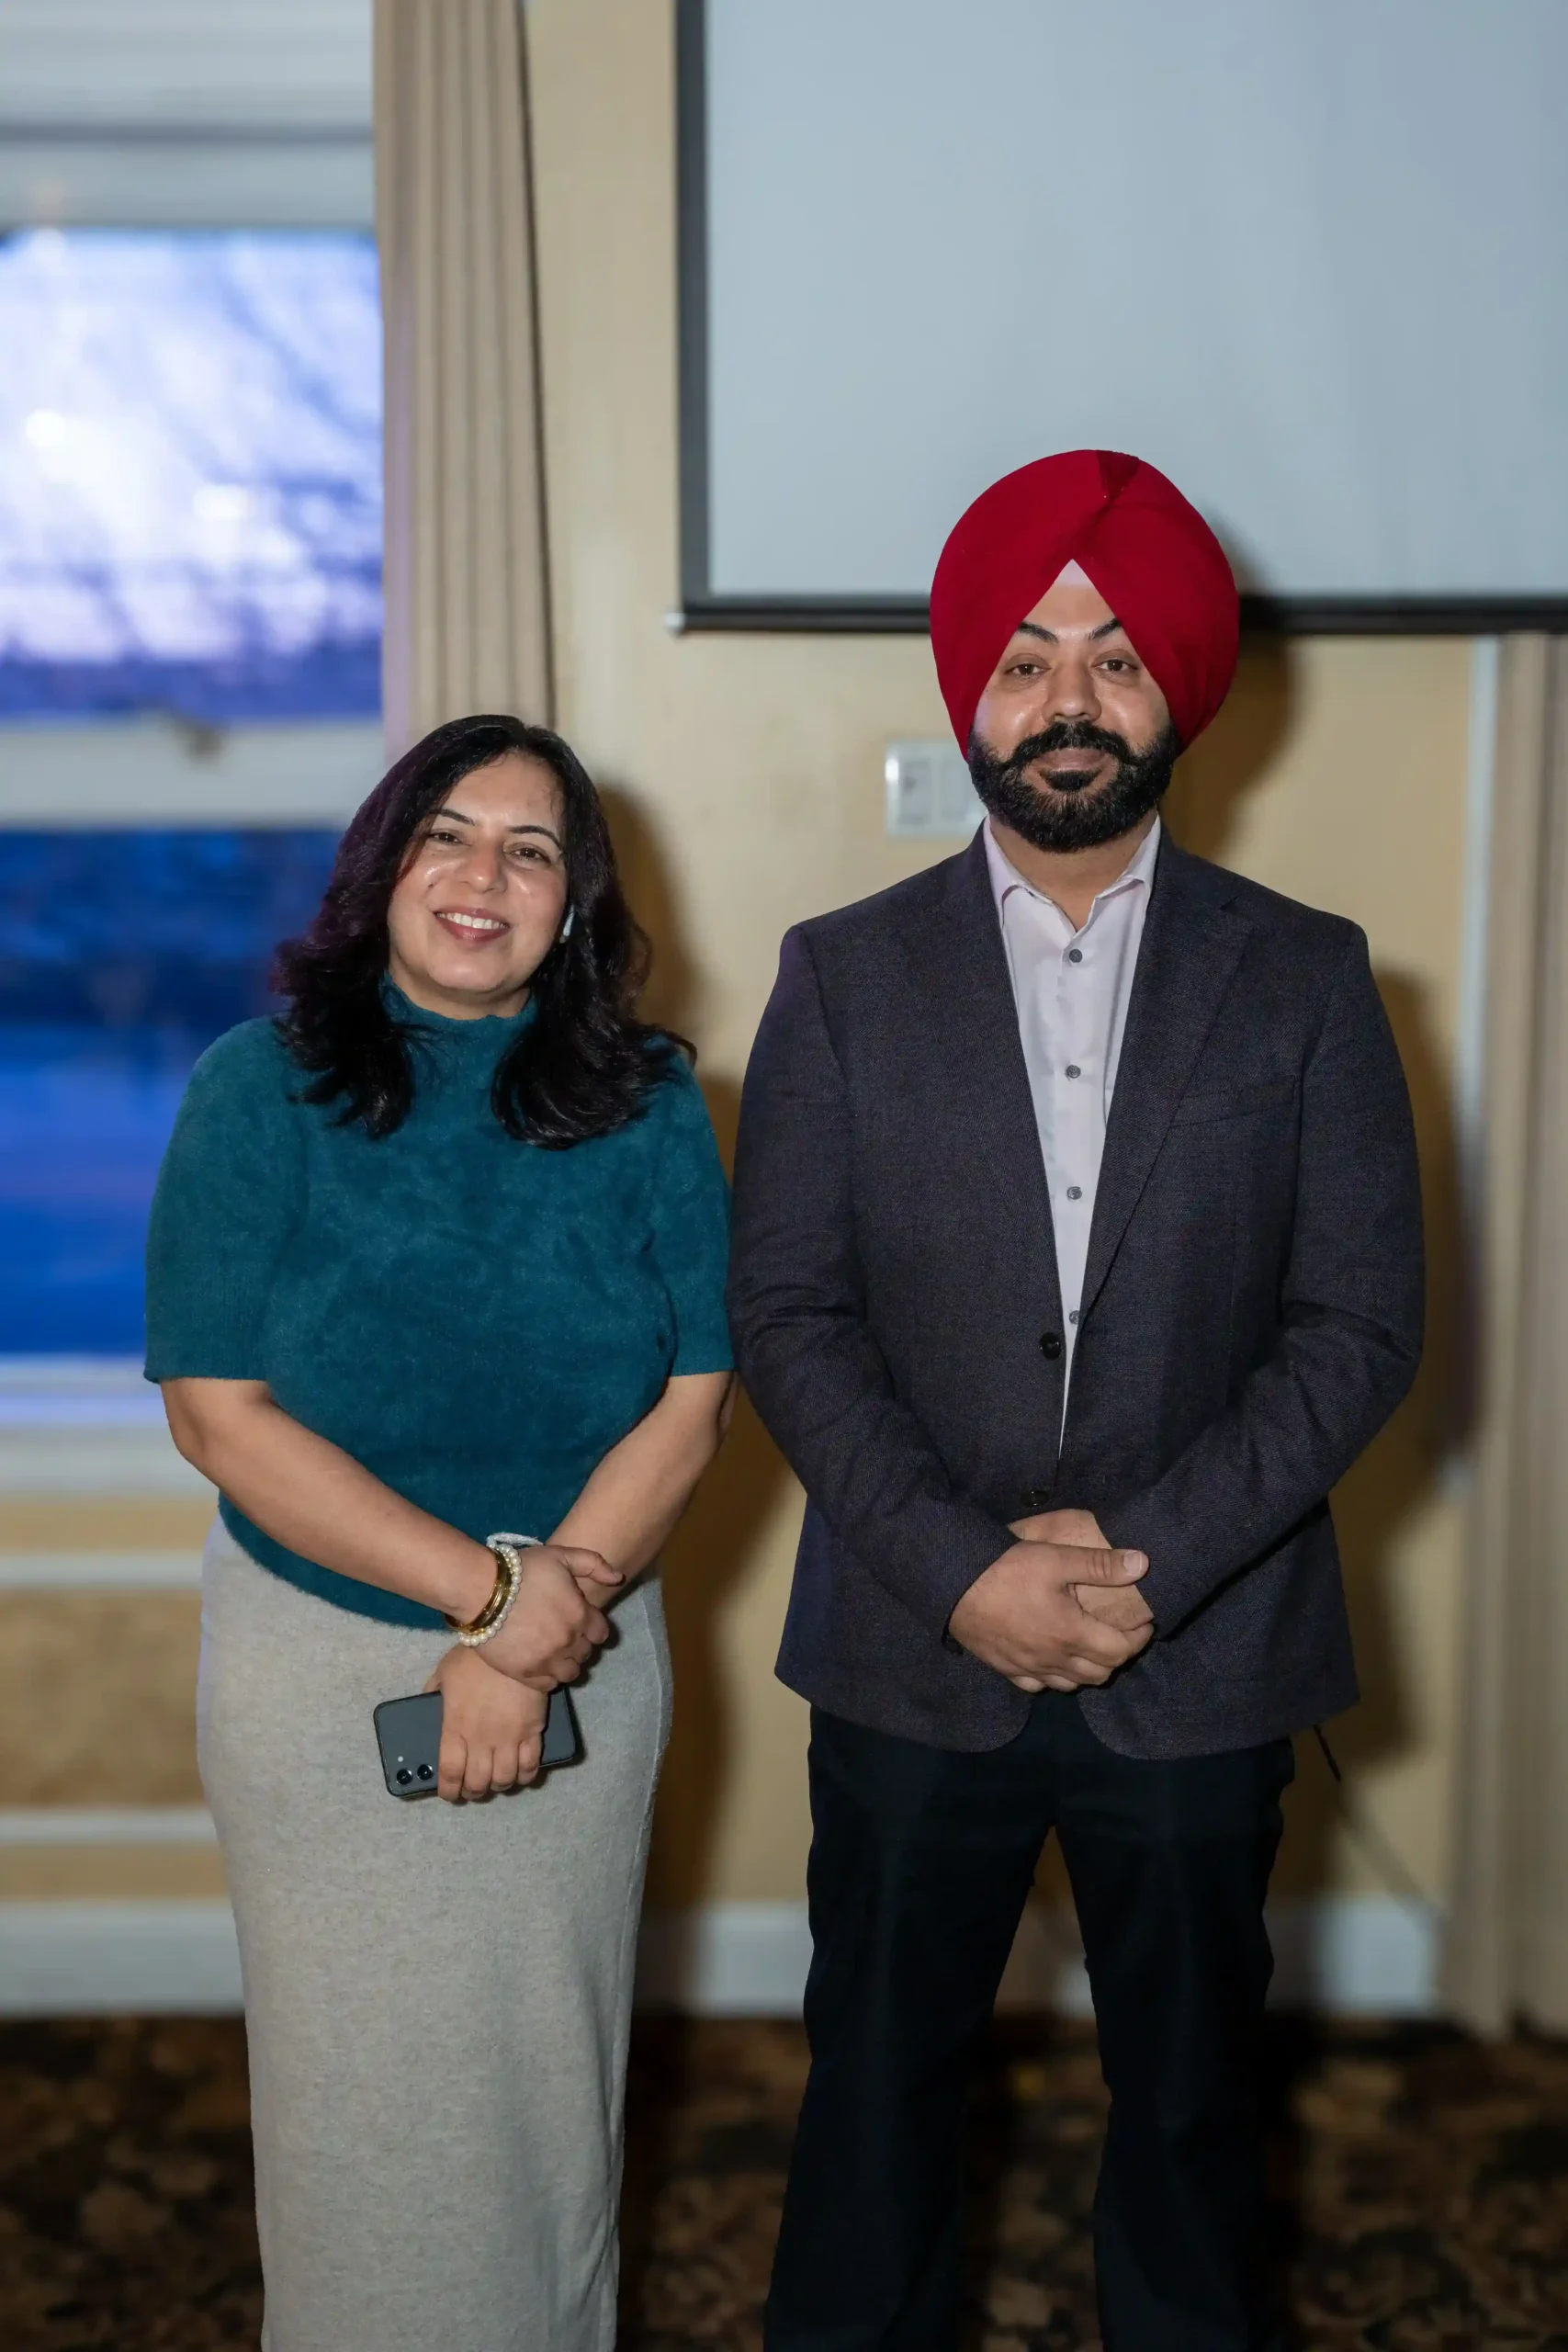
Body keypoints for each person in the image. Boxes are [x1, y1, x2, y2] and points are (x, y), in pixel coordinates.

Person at [728, 449, 1424, 2352]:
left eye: (1114, 658)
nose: (1066, 699)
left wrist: (1142, 1561)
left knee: (1193, 2121)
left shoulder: (1305, 978)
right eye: (1027, 657)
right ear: (969, 691)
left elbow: (1357, 1323)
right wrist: (966, 1571)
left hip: (1198, 1652)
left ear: (1176, 693)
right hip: (907, 1644)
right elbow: (786, 1312)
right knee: (872, 2112)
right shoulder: (838, 976)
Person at [144, 713, 734, 2352]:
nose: (484, 876)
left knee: (547, 2098)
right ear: (382, 867)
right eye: (447, 835)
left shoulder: (653, 1102)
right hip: (323, 1657)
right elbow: (218, 1416)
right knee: (357, 2117)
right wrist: (488, 1600)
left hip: (585, 1651)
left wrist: (536, 1629)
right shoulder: (259, 1086)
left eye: (531, 851)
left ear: (574, 904)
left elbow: (693, 1400)